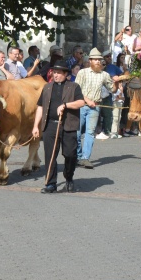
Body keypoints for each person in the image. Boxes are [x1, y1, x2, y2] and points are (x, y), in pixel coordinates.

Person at [34, 64, 84, 193]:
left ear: (66, 74)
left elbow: (81, 102)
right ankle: (51, 184)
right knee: (50, 156)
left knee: (70, 154)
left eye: (58, 73)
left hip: (68, 126)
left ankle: (69, 177)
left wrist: (66, 105)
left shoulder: (74, 86)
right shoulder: (47, 87)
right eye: (54, 72)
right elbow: (40, 107)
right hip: (50, 125)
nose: (55, 75)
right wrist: (35, 126)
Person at [74, 48, 114, 168]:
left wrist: (117, 82)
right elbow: (76, 90)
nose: (98, 62)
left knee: (90, 133)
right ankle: (78, 156)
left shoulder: (105, 75)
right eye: (95, 59)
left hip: (95, 106)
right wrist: (87, 100)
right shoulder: (83, 72)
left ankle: (85, 158)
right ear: (90, 60)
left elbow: (112, 89)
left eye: (99, 60)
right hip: (81, 105)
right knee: (77, 133)